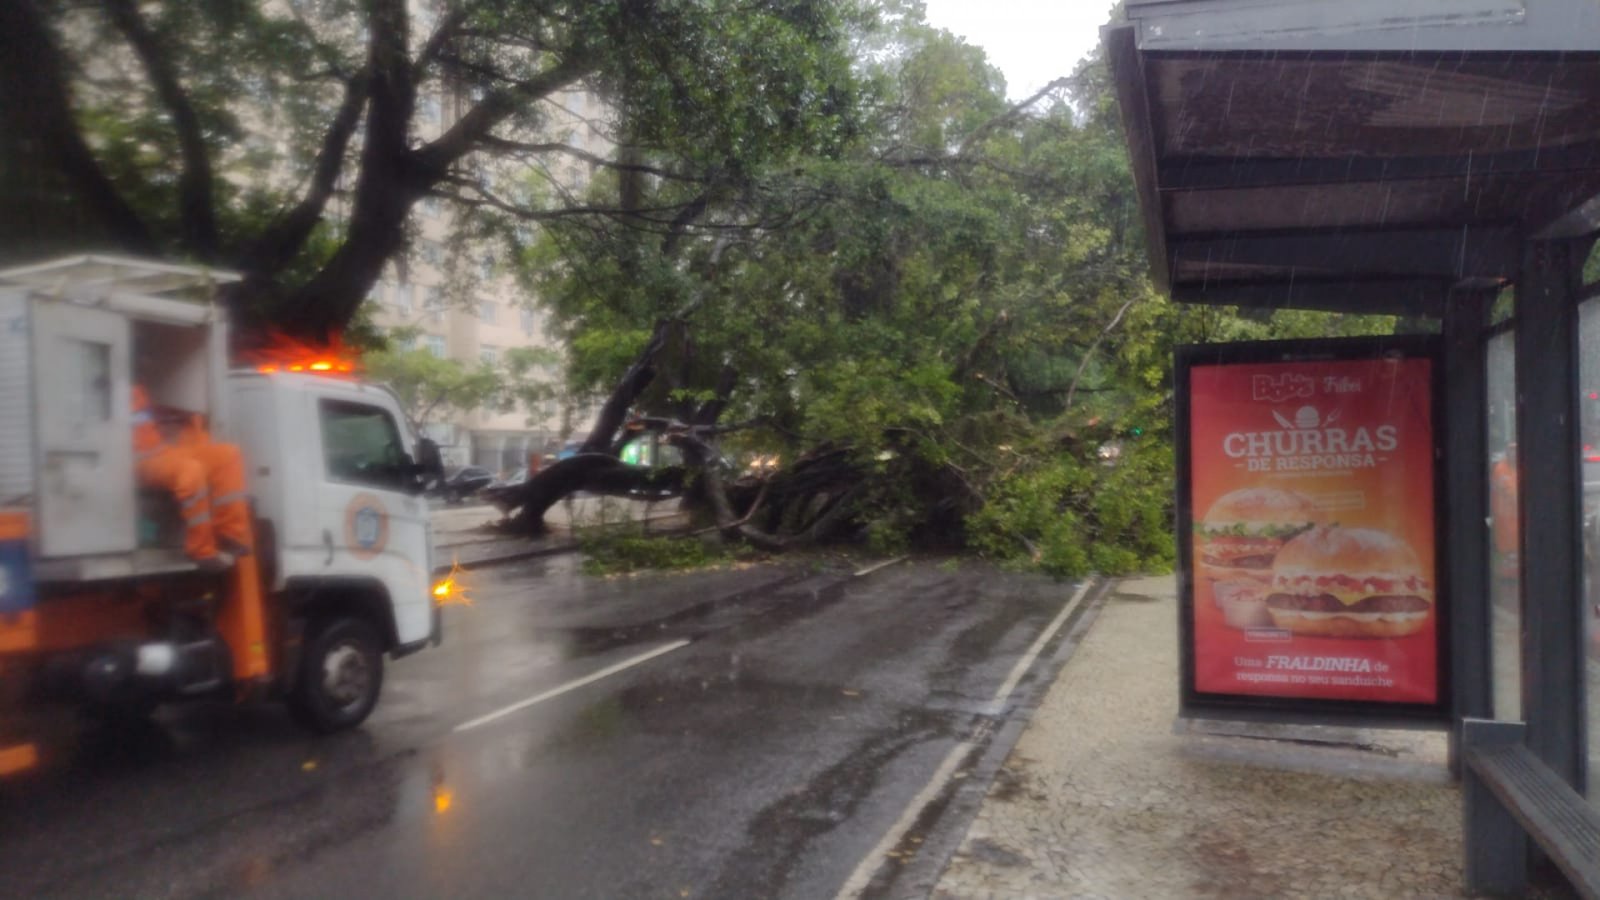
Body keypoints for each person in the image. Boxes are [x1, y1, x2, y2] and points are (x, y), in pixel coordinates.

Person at [132, 384, 251, 570]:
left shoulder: (134, 390)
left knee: (228, 454)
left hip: (161, 453)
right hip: (137, 464)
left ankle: (228, 534)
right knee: (191, 471)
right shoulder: (105, 393)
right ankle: (201, 550)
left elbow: (147, 421)